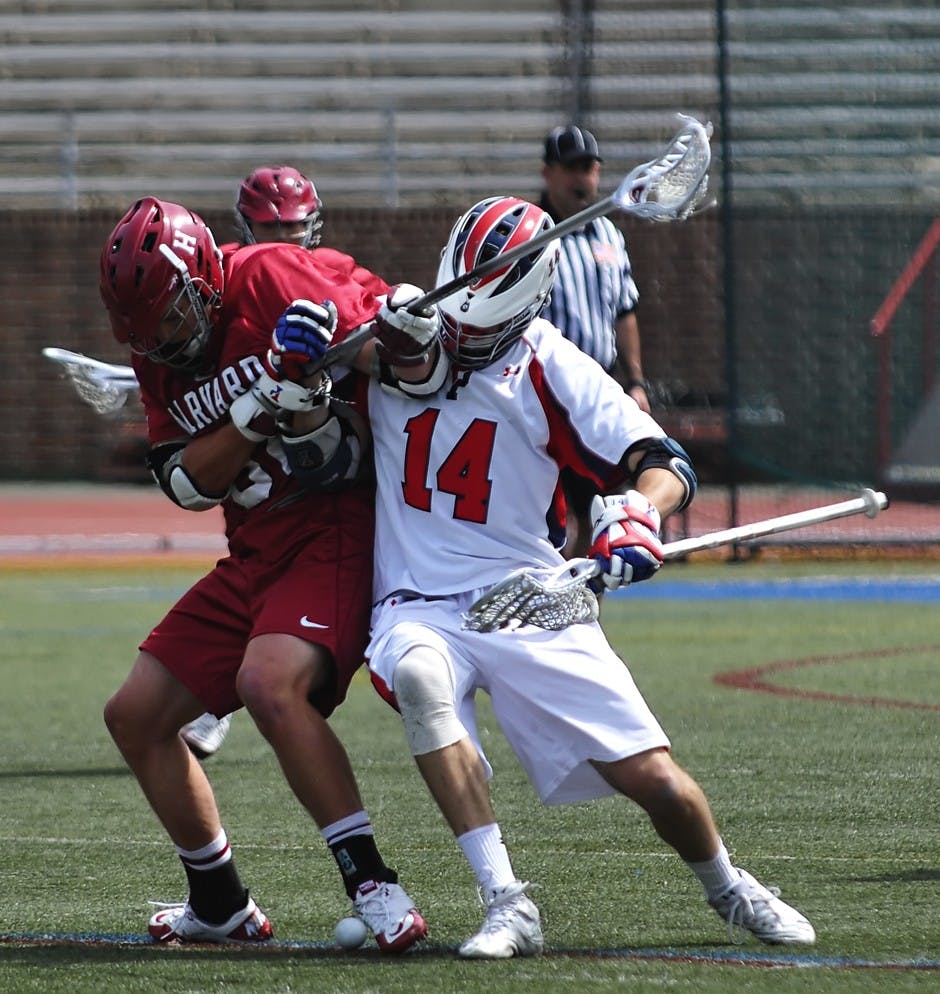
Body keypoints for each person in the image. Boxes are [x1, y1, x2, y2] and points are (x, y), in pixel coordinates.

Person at [281, 196, 816, 958]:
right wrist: (298, 367)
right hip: (418, 602)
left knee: (656, 781)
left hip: (529, 594)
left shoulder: (546, 361)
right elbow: (313, 442)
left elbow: (664, 464)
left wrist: (640, 514)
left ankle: (729, 886)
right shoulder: (390, 338)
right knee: (426, 683)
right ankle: (506, 901)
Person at [97, 196, 426, 952]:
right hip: (254, 548)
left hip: (333, 526)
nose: (156, 337)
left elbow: (385, 356)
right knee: (135, 715)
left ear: (205, 280)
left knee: (267, 683)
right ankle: (219, 902)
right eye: (141, 323)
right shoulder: (156, 356)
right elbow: (185, 483)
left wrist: (371, 337)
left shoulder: (271, 274)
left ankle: (372, 882)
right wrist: (258, 403)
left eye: (169, 315)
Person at [180, 163, 333, 759]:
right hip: (266, 478)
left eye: (294, 230)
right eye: (271, 230)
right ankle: (218, 698)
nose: (284, 243)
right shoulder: (231, 290)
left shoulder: (330, 276)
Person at [539, 125, 650, 557]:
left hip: (598, 385)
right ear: (548, 173)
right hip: (546, 390)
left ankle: (585, 604)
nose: (581, 179)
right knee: (562, 517)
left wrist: (636, 381)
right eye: (571, 169)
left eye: (588, 167)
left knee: (598, 511)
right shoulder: (534, 235)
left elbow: (625, 311)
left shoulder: (608, 235)